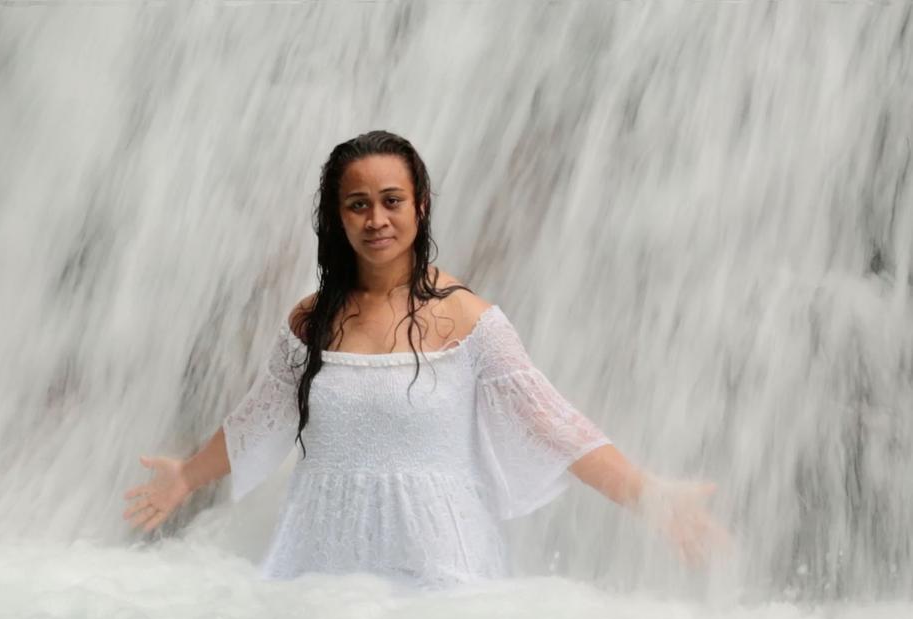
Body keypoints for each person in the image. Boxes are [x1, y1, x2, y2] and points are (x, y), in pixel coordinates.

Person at [123, 130, 727, 588]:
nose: (376, 219)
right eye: (358, 205)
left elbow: (553, 424)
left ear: (421, 204)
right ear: (337, 215)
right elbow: (259, 419)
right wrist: (185, 476)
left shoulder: (469, 318)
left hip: (439, 563)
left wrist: (647, 493)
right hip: (321, 559)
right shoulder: (311, 320)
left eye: (391, 200)